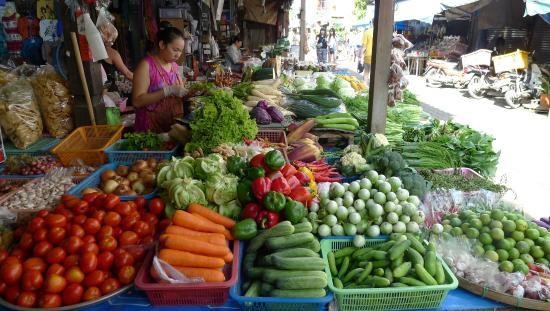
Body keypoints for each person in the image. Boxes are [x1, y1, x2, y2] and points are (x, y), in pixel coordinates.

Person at [131, 22, 187, 133]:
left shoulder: (174, 66)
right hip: (150, 129)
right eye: (175, 50)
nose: (178, 55)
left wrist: (197, 92)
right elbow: (137, 101)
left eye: (180, 51)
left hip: (171, 127)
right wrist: (167, 91)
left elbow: (180, 92)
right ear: (162, 45)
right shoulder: (146, 66)